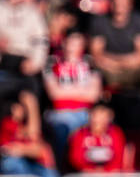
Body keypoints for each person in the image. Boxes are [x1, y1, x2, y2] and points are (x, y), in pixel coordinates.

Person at [89, 0, 140, 130]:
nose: (119, 3)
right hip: (108, 70)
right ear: (110, 1)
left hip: (131, 69)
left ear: (130, 2)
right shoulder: (100, 22)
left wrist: (118, 63)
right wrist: (117, 64)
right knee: (95, 71)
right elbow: (96, 55)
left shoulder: (139, 21)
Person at [42, 29, 101, 164]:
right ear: (64, 43)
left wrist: (65, 89)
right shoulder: (52, 62)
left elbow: (93, 95)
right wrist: (82, 91)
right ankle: (61, 170)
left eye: (77, 43)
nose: (72, 47)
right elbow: (54, 94)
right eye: (70, 43)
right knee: (63, 127)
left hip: (85, 113)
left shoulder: (90, 63)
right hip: (59, 113)